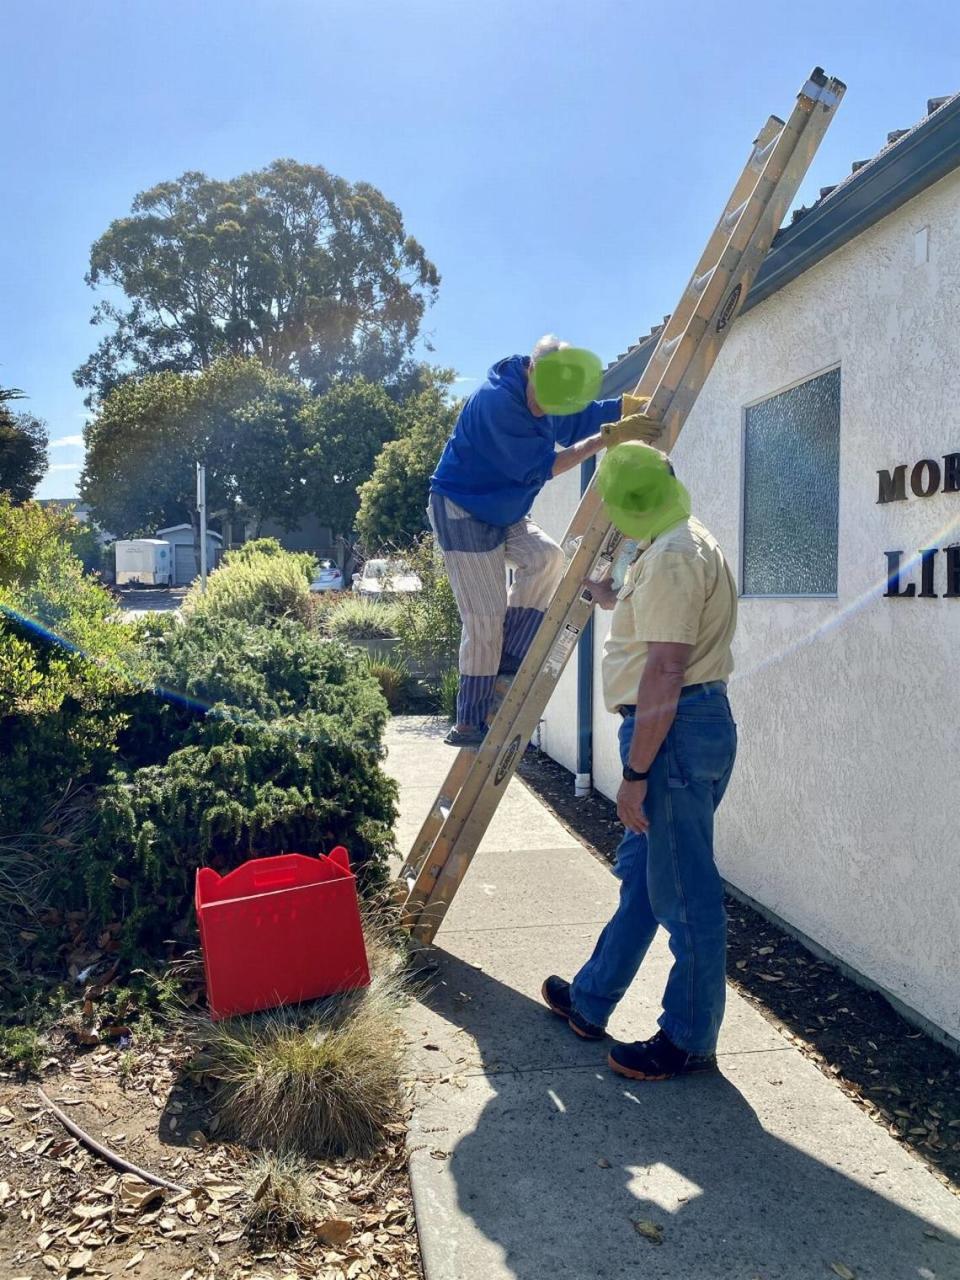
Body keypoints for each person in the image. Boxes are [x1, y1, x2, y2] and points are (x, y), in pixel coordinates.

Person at [541, 440, 739, 1081]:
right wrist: (608, 593)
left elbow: (666, 667)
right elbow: (654, 627)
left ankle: (687, 1040)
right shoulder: (673, 544)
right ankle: (592, 1000)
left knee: (684, 895)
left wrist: (633, 776)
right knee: (645, 883)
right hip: (679, 730)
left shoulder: (675, 556)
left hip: (671, 734)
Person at [429, 335, 647, 747]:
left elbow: (581, 418)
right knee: (484, 618)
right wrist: (607, 438)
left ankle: (508, 662)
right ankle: (469, 723)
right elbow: (546, 466)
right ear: (531, 369)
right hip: (463, 507)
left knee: (547, 557)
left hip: (503, 507)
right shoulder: (498, 405)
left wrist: (625, 409)